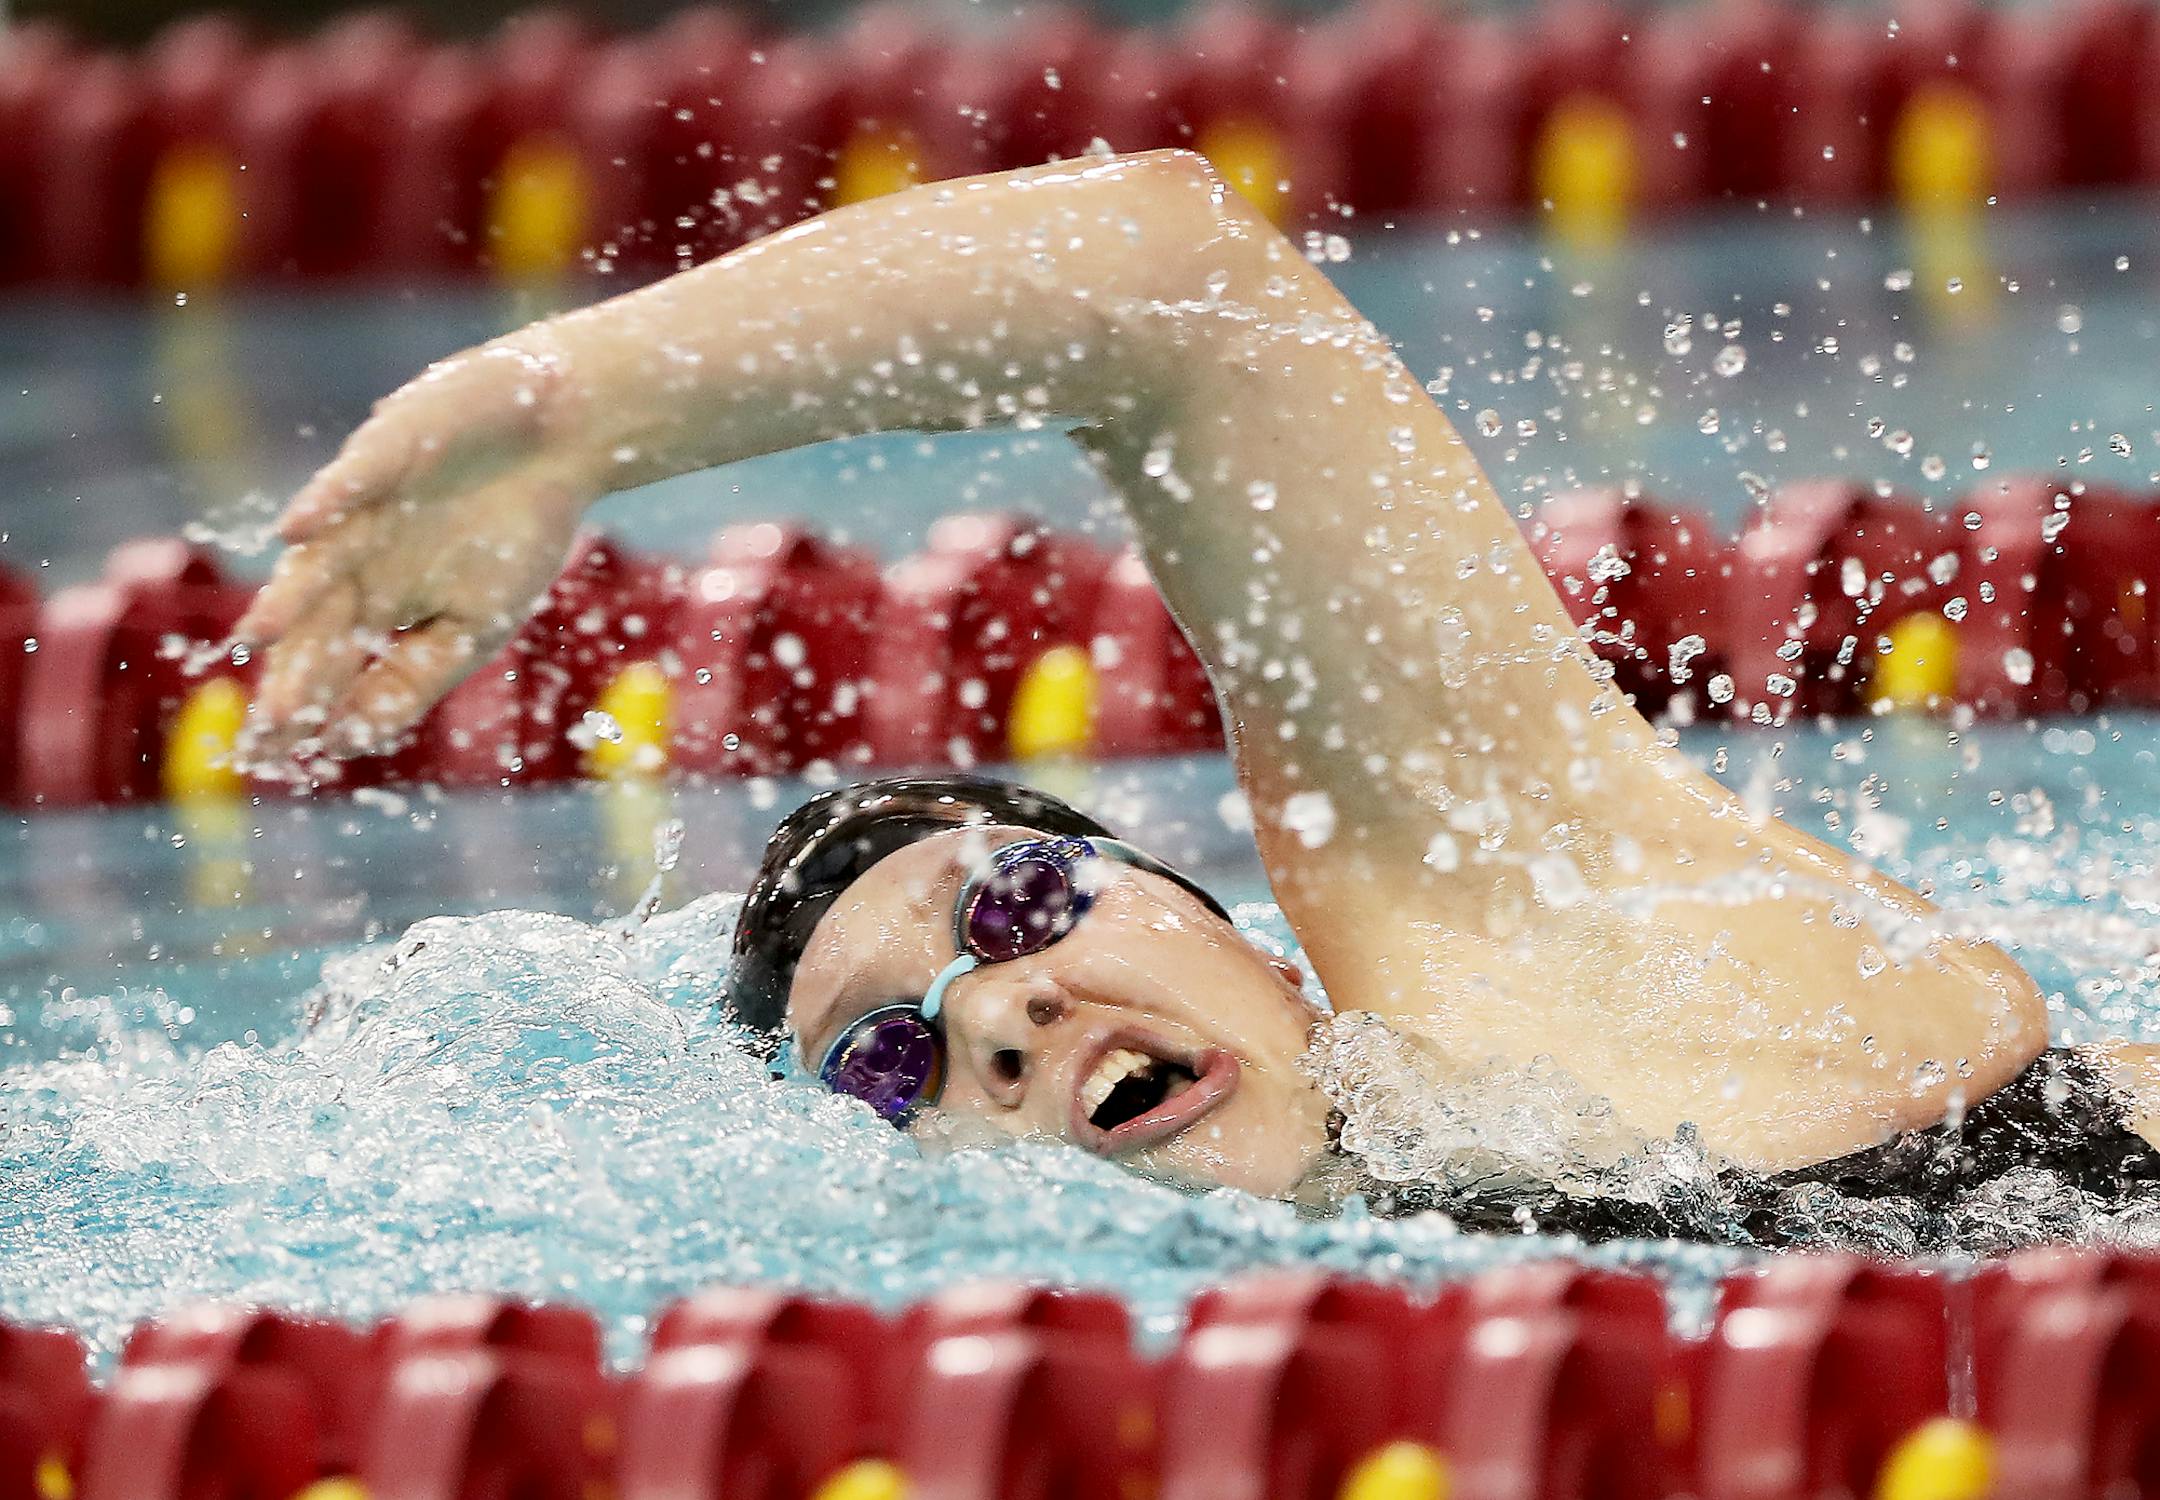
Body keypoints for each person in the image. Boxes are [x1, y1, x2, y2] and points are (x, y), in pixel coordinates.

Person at [233, 150, 2160, 1236]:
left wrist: (585, 417)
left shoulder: (1562, 957)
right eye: (889, 1061)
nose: (998, 1006)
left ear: (1236, 924)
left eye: (1010, 906)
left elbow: (1165, 282)